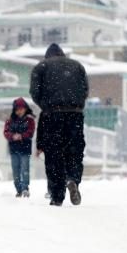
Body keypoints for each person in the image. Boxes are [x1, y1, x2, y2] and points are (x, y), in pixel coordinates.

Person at [30, 43, 88, 207]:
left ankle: (57, 196)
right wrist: (75, 105)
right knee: (74, 150)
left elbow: (35, 92)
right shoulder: (77, 66)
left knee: (54, 154)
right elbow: (85, 90)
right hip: (75, 114)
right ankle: (73, 179)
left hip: (52, 114)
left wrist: (47, 106)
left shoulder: (41, 67)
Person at [4, 97, 36, 197]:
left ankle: (25, 188)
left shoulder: (30, 120)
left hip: (25, 150)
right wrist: (12, 136)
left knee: (25, 170)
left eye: (22, 109)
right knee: (16, 171)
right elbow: (6, 132)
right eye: (17, 109)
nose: (20, 111)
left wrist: (21, 136)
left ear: (25, 109)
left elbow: (30, 132)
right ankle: (18, 189)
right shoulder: (9, 121)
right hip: (14, 150)